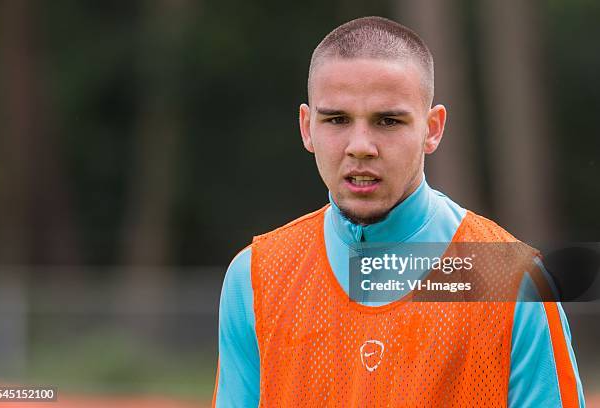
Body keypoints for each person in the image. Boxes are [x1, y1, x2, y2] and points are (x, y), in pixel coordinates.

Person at [212, 16, 585, 407]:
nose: (361, 146)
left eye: (388, 121)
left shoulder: (512, 280)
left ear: (432, 128)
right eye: (337, 119)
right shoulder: (256, 277)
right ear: (307, 127)